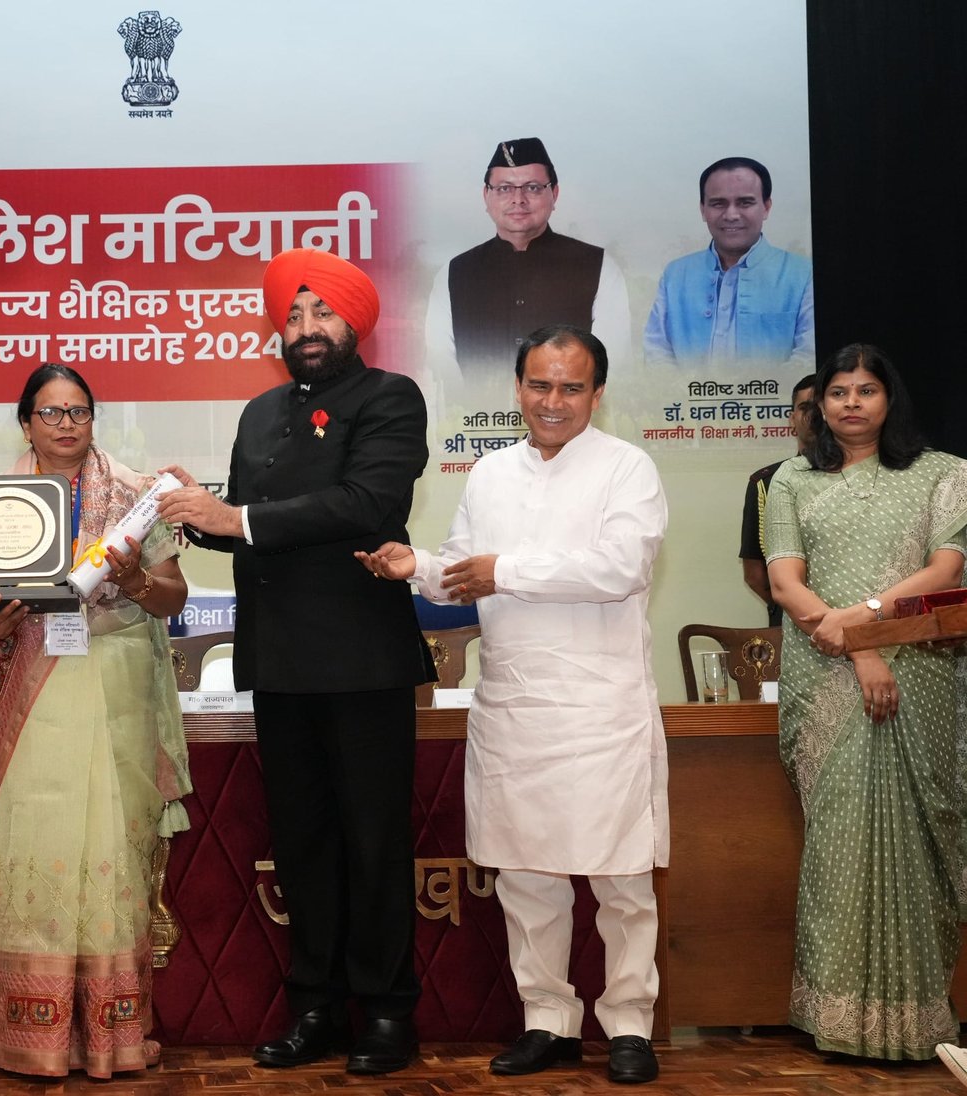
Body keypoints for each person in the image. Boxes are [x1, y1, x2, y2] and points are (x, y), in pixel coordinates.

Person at [358, 324, 668, 1085]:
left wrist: (505, 570)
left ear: (597, 393)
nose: (552, 401)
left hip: (600, 705)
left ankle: (629, 1023)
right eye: (539, 384)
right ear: (519, 388)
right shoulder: (491, 472)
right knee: (527, 874)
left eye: (571, 387)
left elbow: (619, 568)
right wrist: (415, 567)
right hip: (514, 701)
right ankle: (547, 1019)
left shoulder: (627, 468)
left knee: (622, 877)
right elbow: (466, 576)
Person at [157, 247, 434, 1076]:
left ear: (356, 323)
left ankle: (386, 1013)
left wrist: (233, 518)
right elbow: (248, 522)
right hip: (279, 660)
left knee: (373, 841)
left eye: (323, 313)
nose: (307, 327)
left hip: (361, 660)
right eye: (294, 314)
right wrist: (190, 510)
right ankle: (315, 1007)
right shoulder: (260, 412)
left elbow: (365, 503)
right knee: (303, 842)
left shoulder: (390, 398)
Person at [0, 363, 193, 1078]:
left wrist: (134, 579)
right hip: (30, 697)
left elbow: (173, 598)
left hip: (118, 693)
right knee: (36, 842)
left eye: (79, 412)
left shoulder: (135, 498)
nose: (66, 424)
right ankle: (35, 1037)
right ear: (25, 422)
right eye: (51, 412)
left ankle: (112, 1036)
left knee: (111, 853)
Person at [764, 344, 967, 1062]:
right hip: (828, 680)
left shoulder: (944, 473)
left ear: (890, 399)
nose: (851, 403)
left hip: (922, 673)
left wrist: (870, 616)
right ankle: (840, 1019)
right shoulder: (792, 479)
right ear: (820, 406)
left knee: (924, 842)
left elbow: (946, 569)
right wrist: (860, 646)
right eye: (839, 392)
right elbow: (786, 584)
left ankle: (920, 1021)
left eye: (866, 390)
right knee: (841, 846)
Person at [425, 138, 630, 383]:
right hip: (475, 407)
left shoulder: (598, 266)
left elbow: (611, 366)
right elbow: (442, 364)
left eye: (532, 187)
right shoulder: (454, 273)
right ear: (486, 195)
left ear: (554, 193)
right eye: (504, 188)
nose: (518, 199)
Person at [644, 157, 814, 370]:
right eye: (718, 204)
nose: (731, 215)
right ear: (703, 209)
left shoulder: (802, 274)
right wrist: (688, 390)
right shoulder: (676, 275)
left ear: (766, 207)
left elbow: (808, 357)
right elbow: (657, 352)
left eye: (745, 203)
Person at [741, 374, 817, 625]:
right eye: (805, 407)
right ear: (792, 419)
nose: (813, 415)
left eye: (820, 406)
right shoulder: (766, 482)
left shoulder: (860, 478)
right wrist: (797, 608)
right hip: (791, 623)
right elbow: (755, 574)